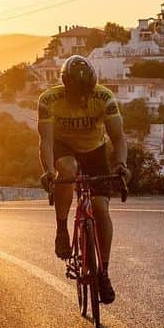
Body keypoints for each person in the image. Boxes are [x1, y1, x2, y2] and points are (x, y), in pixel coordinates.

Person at [37, 55, 128, 304]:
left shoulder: (104, 97)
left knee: (100, 208)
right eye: (77, 92)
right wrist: (48, 170)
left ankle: (104, 273)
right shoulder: (49, 100)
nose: (83, 98)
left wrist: (121, 165)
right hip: (63, 147)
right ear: (66, 86)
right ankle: (61, 230)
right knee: (67, 168)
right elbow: (45, 142)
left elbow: (118, 138)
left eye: (87, 91)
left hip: (95, 151)